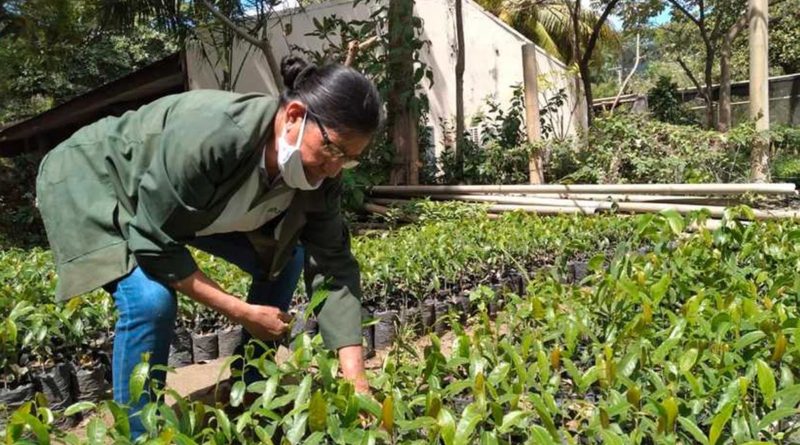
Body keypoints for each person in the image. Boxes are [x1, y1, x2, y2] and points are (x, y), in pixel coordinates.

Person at [35, 55, 380, 437]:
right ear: (295, 115)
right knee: (150, 301)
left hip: (172, 201)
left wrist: (356, 382)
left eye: (349, 160)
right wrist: (243, 312)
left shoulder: (319, 173)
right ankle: (141, 432)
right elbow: (154, 240)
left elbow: (334, 265)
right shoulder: (216, 133)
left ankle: (249, 387)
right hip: (98, 178)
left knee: (287, 255)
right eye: (333, 150)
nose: (335, 168)